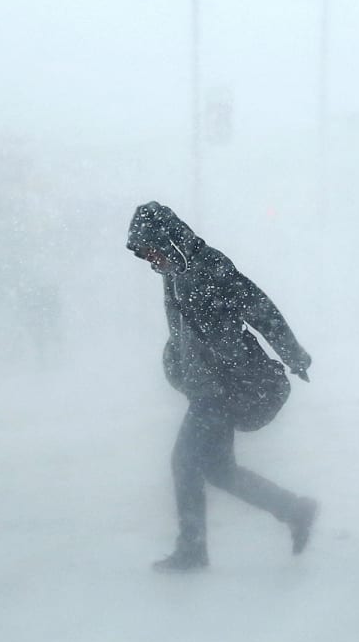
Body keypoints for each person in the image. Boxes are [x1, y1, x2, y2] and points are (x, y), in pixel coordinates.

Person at [127, 202, 318, 571]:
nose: (147, 257)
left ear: (165, 238)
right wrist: (176, 361)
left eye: (149, 247)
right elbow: (185, 330)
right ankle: (294, 509)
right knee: (218, 470)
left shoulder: (207, 265)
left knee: (184, 463)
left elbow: (258, 306)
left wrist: (293, 354)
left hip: (224, 384)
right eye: (142, 252)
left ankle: (193, 549)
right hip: (208, 384)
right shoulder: (174, 269)